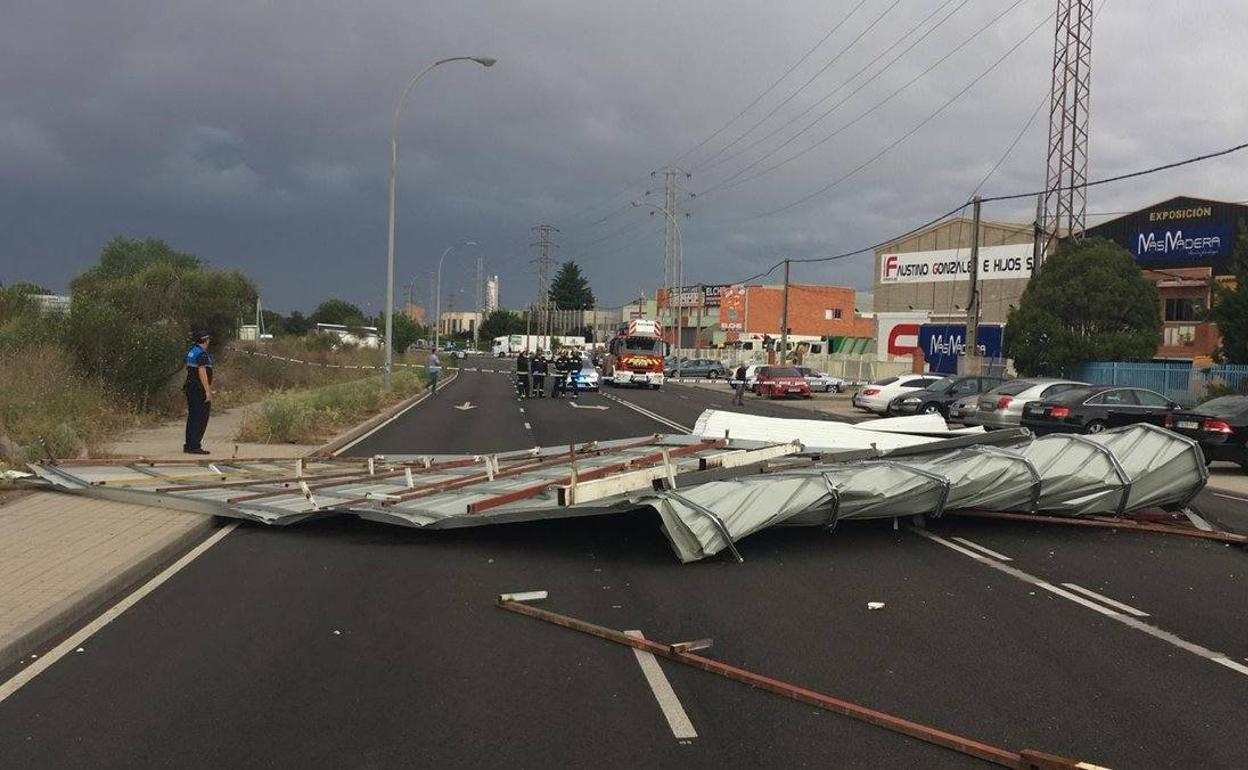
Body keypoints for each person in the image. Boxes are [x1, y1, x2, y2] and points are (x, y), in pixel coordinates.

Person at [183, 330, 213, 455]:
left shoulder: (192, 351)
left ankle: (189, 444)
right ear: (205, 340)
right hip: (199, 389)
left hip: (190, 388)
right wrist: (207, 391)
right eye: (208, 339)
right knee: (200, 417)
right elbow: (202, 372)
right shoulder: (202, 355)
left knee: (192, 416)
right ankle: (195, 445)